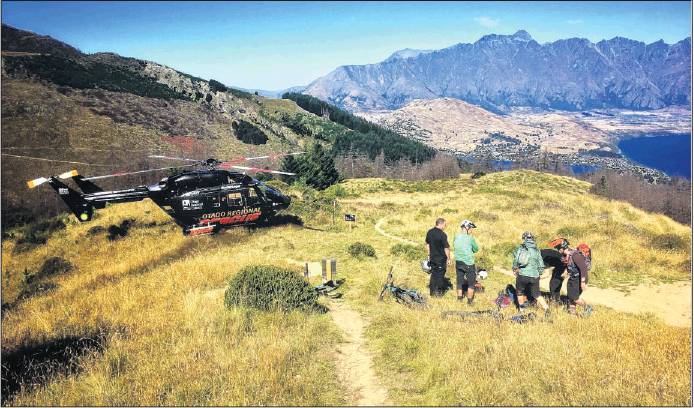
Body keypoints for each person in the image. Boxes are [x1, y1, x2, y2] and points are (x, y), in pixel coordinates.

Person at [512, 231, 550, 316]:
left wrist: (514, 269)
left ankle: (522, 311)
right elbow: (541, 264)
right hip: (534, 276)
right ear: (532, 239)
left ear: (524, 239)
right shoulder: (537, 250)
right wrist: (539, 273)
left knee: (519, 292)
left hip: (522, 274)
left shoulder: (521, 248)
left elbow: (516, 260)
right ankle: (546, 308)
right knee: (537, 294)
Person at [551, 238, 592, 315]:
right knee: (570, 296)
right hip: (573, 278)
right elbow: (571, 265)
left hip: (578, 279)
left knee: (575, 298)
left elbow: (583, 269)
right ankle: (572, 312)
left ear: (562, 248)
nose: (557, 250)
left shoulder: (575, 255)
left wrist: (583, 282)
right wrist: (565, 272)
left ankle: (588, 307)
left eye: (558, 248)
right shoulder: (568, 255)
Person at [453, 219, 479, 304]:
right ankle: (470, 301)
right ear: (467, 227)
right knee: (471, 283)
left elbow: (455, 246)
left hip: (458, 262)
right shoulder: (470, 238)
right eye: (471, 228)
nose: (472, 230)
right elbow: (476, 249)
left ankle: (459, 299)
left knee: (459, 281)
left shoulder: (456, 236)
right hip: (468, 262)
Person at [425, 218, 451, 297]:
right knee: (440, 275)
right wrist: (449, 258)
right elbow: (446, 248)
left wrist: (429, 254)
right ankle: (438, 294)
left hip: (432, 258)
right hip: (441, 259)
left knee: (433, 275)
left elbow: (427, 244)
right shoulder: (442, 234)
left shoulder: (430, 232)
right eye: (445, 224)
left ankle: (432, 293)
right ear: (441, 224)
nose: (445, 226)